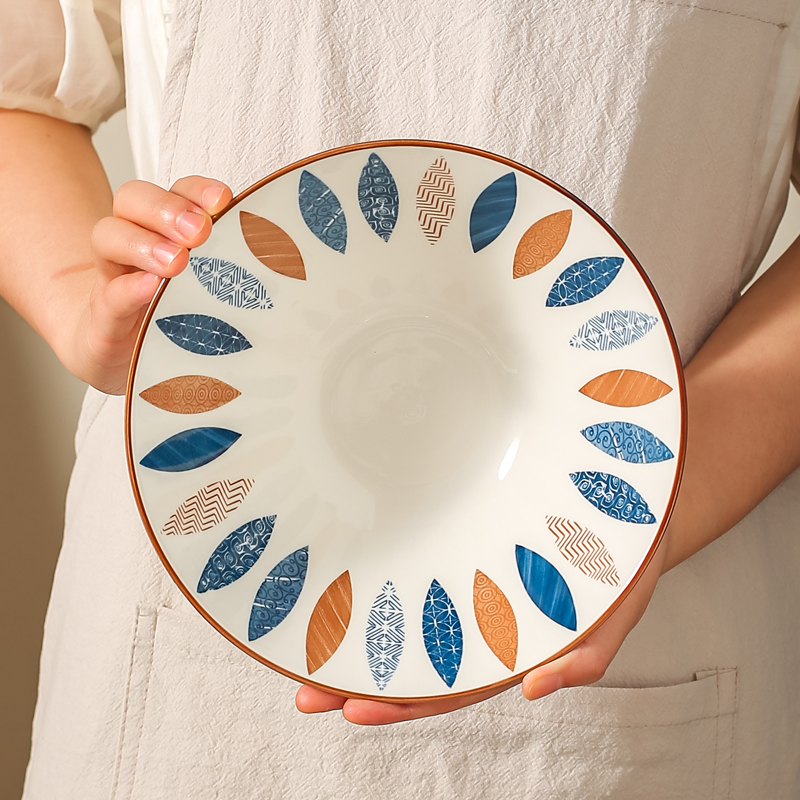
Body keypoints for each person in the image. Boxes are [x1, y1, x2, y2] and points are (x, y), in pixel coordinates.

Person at [3, 0, 800, 796]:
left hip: (642, 606)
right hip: (197, 559)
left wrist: (651, 512)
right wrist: (77, 301)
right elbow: (16, 85)